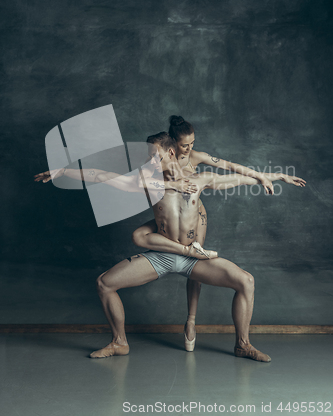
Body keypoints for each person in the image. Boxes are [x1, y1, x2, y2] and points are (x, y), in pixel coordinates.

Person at [85, 132, 305, 361]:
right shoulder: (150, 182)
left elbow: (239, 178)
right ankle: (119, 342)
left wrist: (277, 176)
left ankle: (243, 344)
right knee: (104, 283)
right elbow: (102, 175)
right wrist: (61, 172)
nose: (149, 162)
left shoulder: (200, 180)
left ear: (170, 152)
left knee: (246, 281)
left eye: (153, 156)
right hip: (161, 255)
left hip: (194, 259)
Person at [131, 116, 278, 350]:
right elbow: (130, 182)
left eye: (192, 143)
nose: (189, 149)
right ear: (171, 146)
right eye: (184, 145)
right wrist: (172, 185)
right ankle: (183, 252)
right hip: (169, 222)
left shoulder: (195, 162)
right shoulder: (154, 168)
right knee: (139, 235)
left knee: (199, 265)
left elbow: (229, 170)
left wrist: (266, 176)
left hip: (193, 214)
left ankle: (194, 321)